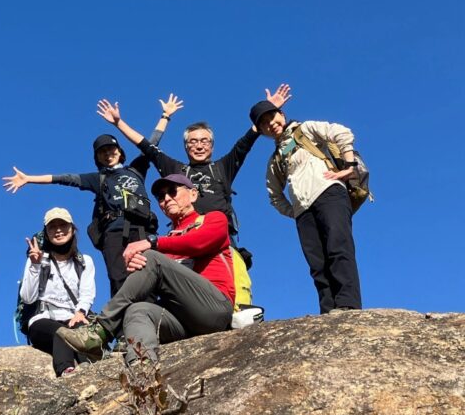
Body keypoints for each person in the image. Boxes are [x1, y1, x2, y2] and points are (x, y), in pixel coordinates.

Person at [57, 174, 234, 363]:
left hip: (214, 308)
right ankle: (142, 371)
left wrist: (152, 243)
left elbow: (199, 242)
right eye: (161, 196)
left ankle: (101, 329)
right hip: (183, 320)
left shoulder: (213, 219)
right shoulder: (167, 241)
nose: (166, 199)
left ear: (193, 194)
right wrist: (138, 269)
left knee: (151, 258)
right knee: (138, 310)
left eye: (172, 191)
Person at [96, 84, 291, 241]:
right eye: (193, 142)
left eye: (204, 141)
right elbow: (146, 146)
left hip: (220, 239)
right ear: (185, 147)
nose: (199, 146)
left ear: (212, 146)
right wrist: (119, 123)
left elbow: (246, 142)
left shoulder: (222, 168)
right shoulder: (176, 170)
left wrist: (267, 109)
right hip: (185, 236)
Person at [3, 134, 156, 296]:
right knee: (118, 277)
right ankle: (125, 310)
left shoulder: (135, 170)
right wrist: (29, 178)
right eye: (102, 151)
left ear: (119, 151)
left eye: (111, 149)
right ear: (97, 158)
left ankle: (153, 308)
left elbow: (150, 145)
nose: (107, 154)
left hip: (142, 229)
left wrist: (165, 119)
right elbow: (66, 179)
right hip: (114, 232)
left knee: (149, 273)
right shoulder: (98, 178)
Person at [249, 99, 362, 314]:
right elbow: (274, 195)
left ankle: (348, 304)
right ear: (261, 131)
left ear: (282, 115)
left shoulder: (305, 129)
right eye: (264, 123)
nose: (271, 124)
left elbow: (341, 132)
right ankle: (328, 310)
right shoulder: (276, 158)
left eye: (272, 117)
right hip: (303, 211)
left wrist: (350, 166)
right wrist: (294, 212)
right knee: (317, 263)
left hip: (329, 192)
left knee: (338, 247)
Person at [20, 207, 96, 377]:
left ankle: (91, 371)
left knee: (85, 335)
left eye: (63, 225)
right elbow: (27, 297)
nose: (58, 230)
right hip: (42, 319)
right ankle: (66, 371)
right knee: (61, 333)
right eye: (52, 227)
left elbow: (87, 293)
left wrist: (80, 312)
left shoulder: (84, 261)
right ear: (46, 233)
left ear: (72, 229)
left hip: (73, 316)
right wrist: (35, 265)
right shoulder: (37, 258)